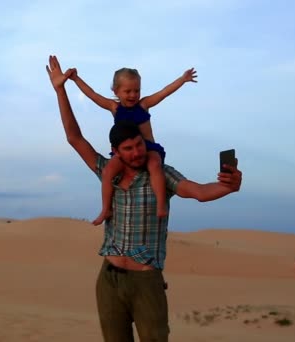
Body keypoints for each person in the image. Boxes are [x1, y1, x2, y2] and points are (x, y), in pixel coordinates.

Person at [46, 55, 242, 342]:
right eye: (129, 148)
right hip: (109, 279)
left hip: (146, 280)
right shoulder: (107, 173)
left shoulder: (160, 174)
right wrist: (61, 89)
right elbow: (75, 138)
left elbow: (199, 192)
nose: (137, 152)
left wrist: (229, 187)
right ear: (116, 152)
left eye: (140, 145)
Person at [67, 66, 198, 225]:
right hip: (124, 153)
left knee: (155, 165)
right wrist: (76, 79)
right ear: (116, 91)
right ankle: (106, 209)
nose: (133, 95)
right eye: (128, 91)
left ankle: (161, 204)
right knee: (108, 171)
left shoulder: (144, 105)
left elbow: (164, 92)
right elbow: (92, 95)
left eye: (137, 90)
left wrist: (182, 80)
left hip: (148, 149)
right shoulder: (114, 107)